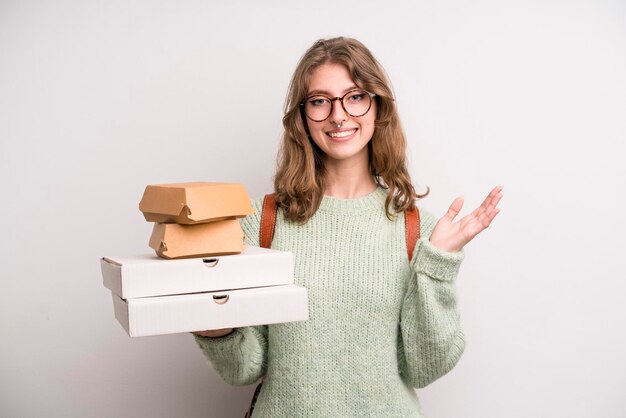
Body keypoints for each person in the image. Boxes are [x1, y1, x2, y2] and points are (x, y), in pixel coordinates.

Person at [192, 36, 502, 417]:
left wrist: (436, 264)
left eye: (354, 96)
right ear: (303, 116)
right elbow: (244, 369)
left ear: (377, 106)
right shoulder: (261, 222)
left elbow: (426, 368)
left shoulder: (419, 229)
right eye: (320, 101)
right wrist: (214, 327)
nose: (338, 116)